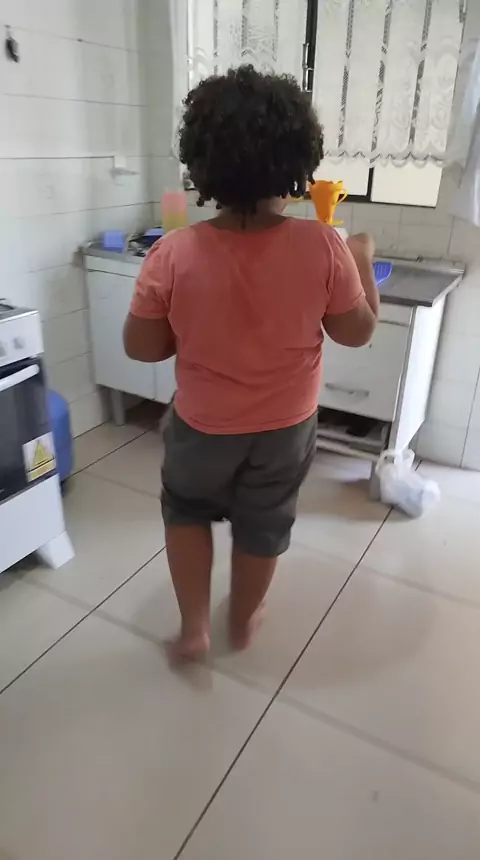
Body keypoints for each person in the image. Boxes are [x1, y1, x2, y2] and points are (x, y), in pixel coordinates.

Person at [123, 65, 379, 661]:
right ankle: (242, 619)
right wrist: (362, 258)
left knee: (186, 511)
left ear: (201, 164)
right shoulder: (324, 246)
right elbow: (357, 332)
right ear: (297, 162)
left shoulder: (173, 251)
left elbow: (143, 347)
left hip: (202, 424)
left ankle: (194, 629)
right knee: (264, 522)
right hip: (285, 428)